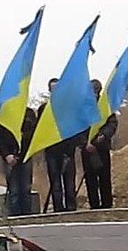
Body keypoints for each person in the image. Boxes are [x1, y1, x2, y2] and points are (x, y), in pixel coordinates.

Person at [39, 79, 87, 213]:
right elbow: (40, 130)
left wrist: (78, 143)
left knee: (69, 181)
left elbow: (77, 127)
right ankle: (58, 207)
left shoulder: (69, 108)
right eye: (52, 89)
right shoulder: (44, 108)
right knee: (55, 182)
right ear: (49, 90)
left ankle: (71, 206)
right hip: (51, 151)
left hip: (67, 150)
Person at [0, 105, 37, 215]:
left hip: (26, 155)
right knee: (14, 190)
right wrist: (7, 155)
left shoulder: (29, 113)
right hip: (10, 156)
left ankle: (27, 215)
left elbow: (34, 134)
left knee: (26, 189)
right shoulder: (2, 115)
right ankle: (15, 216)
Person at [81, 79, 117, 209]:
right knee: (90, 179)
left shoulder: (105, 105)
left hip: (102, 147)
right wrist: (85, 143)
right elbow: (78, 128)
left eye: (96, 91)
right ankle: (94, 204)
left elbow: (112, 124)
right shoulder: (82, 107)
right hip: (87, 148)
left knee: (104, 177)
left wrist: (103, 135)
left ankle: (107, 204)